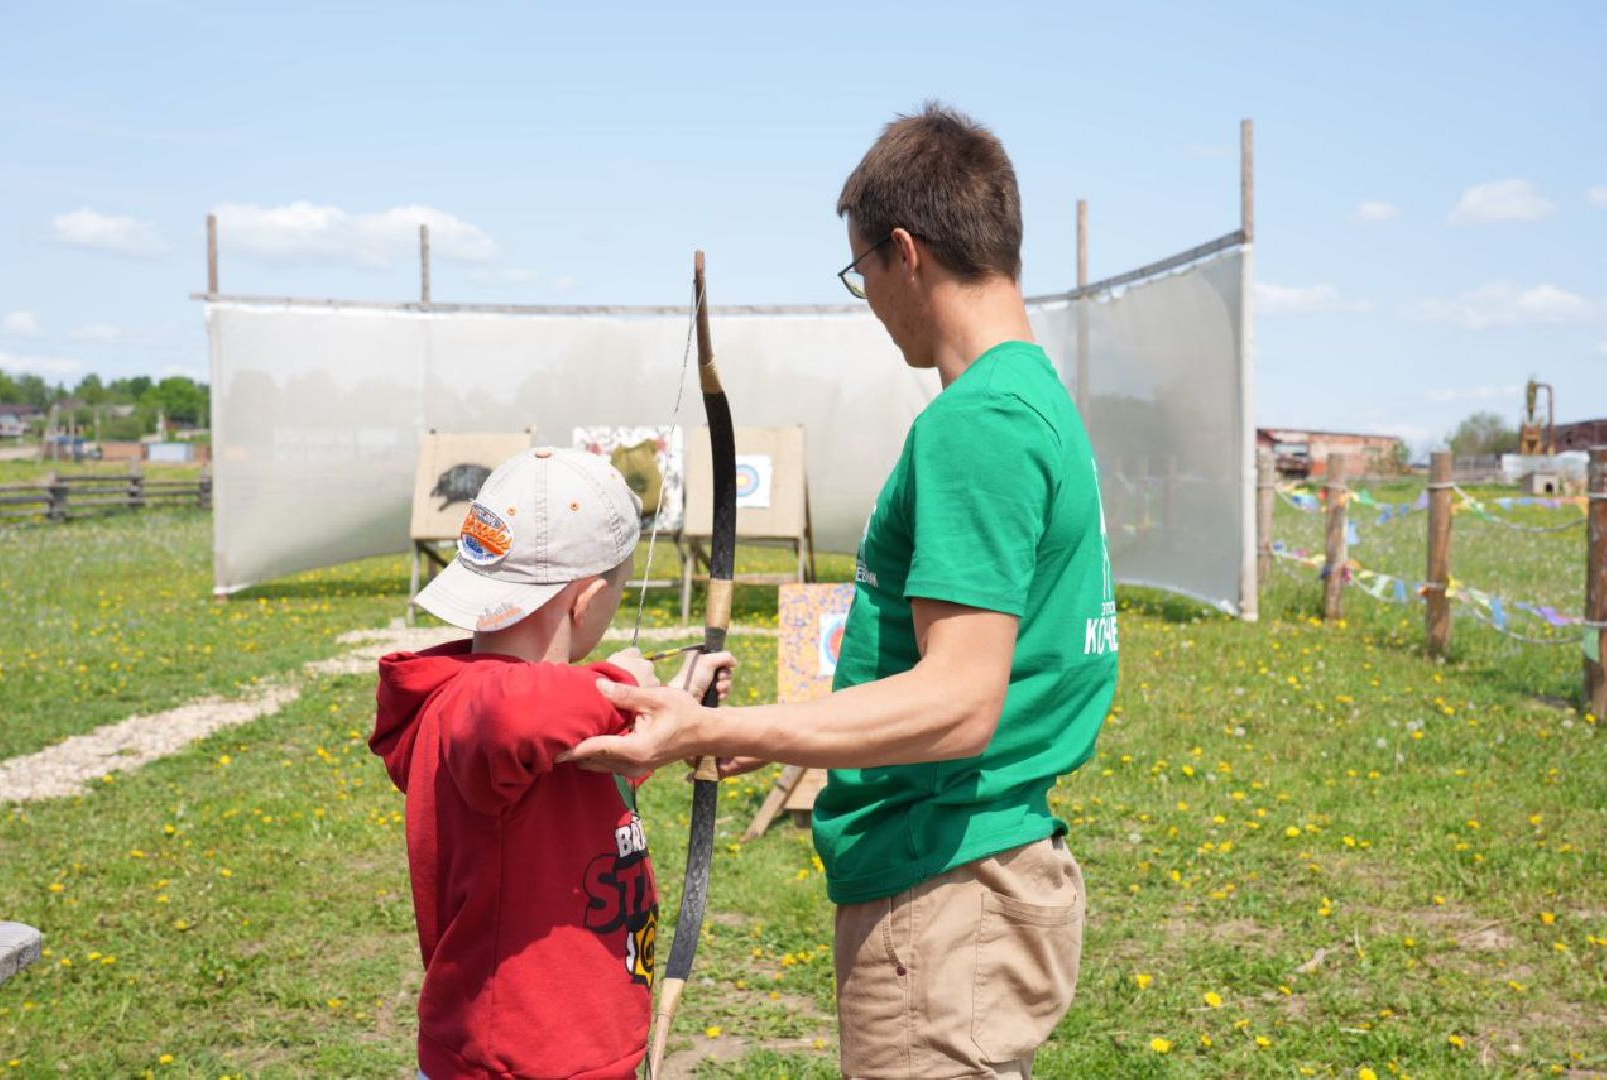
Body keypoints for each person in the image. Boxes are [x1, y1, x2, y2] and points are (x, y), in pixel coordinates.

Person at [564, 103, 1120, 1077]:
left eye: (860, 270)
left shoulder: (977, 424)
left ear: (905, 251)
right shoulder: (1030, 398)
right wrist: (780, 726)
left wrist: (709, 732)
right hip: (968, 873)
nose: (865, 297)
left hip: (942, 894)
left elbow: (957, 705)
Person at [370, 447, 733, 1080]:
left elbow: (584, 768)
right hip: (516, 1060)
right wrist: (619, 680)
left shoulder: (537, 723)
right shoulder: (469, 707)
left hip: (580, 1048)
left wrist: (677, 702)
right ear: (588, 600)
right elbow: (508, 717)